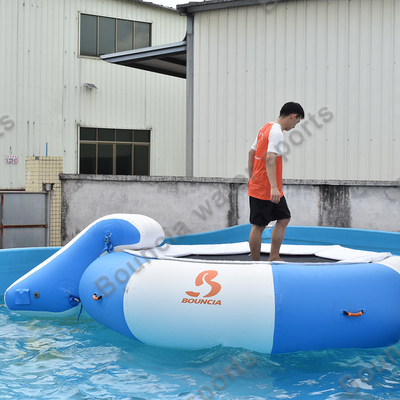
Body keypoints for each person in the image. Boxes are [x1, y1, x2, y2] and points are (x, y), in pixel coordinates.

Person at [248, 102, 305, 261]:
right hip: (266, 187)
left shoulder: (266, 127)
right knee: (258, 226)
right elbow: (271, 158)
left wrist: (251, 175)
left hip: (266, 185)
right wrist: (273, 187)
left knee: (284, 217)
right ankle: (255, 262)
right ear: (293, 116)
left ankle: (274, 256)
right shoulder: (277, 132)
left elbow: (251, 152)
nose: (294, 126)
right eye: (297, 121)